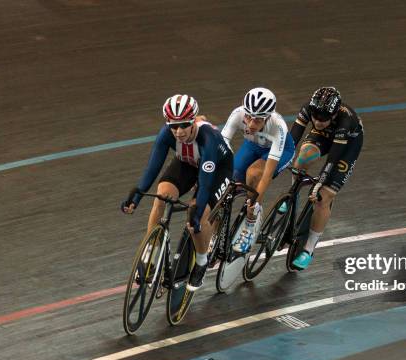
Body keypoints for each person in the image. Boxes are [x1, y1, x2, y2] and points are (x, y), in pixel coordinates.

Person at [121, 94, 233, 291]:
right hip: (188, 162)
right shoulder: (166, 133)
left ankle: (201, 262)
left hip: (217, 168)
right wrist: (137, 195)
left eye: (183, 125)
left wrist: (197, 209)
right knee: (161, 196)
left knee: (197, 218)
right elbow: (153, 168)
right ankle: (150, 254)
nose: (178, 131)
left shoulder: (209, 139)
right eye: (173, 126)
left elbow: (205, 185)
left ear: (193, 122)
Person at [288, 87, 364, 270]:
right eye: (315, 116)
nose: (317, 121)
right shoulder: (309, 108)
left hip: (347, 146)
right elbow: (291, 142)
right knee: (303, 157)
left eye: (323, 118)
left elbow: (332, 160)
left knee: (324, 196)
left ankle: (308, 249)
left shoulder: (347, 120)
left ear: (334, 113)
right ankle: (293, 197)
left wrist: (320, 182)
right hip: (325, 137)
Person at [221, 87, 295, 253]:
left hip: (280, 150)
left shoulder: (278, 127)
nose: (251, 123)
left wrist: (253, 206)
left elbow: (267, 175)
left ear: (267, 117)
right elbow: (221, 146)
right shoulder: (238, 114)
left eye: (258, 120)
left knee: (254, 174)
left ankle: (251, 223)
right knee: (227, 182)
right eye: (248, 117)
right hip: (253, 145)